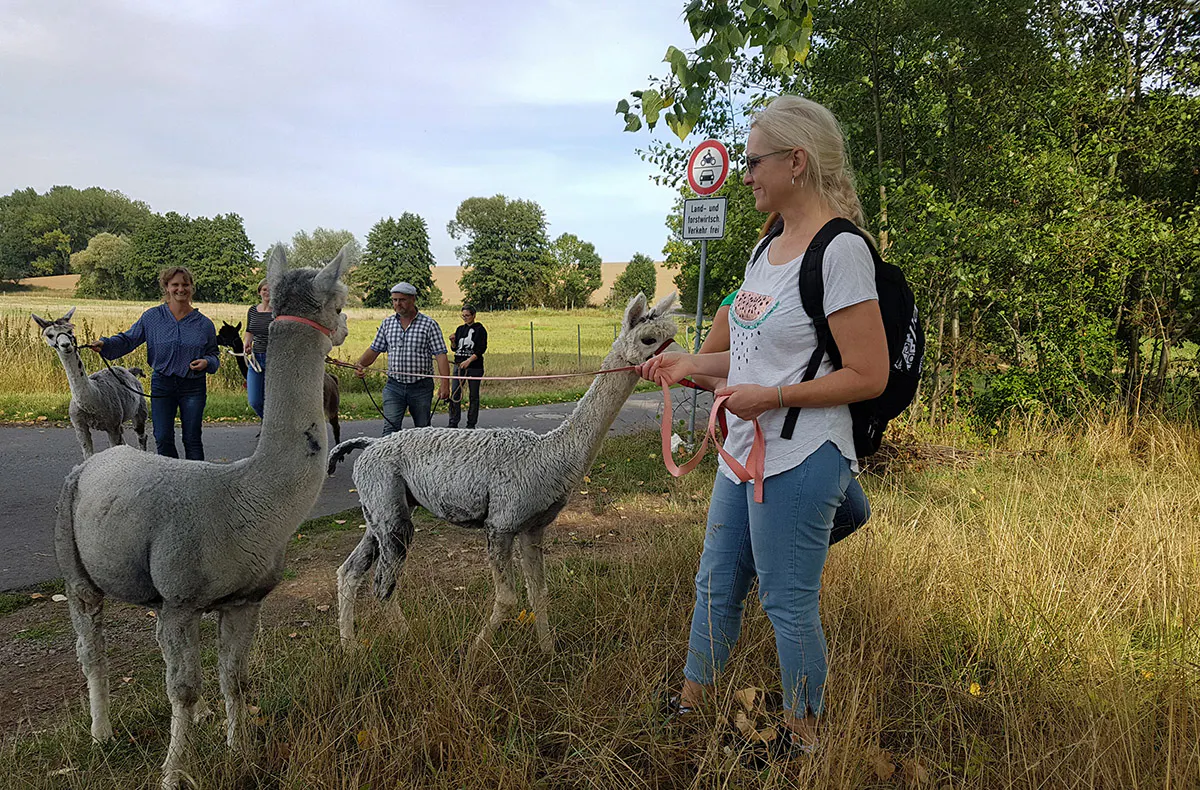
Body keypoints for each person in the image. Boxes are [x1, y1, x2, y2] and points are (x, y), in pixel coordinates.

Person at [638, 95, 889, 752]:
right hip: (742, 453)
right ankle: (690, 706)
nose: (743, 174)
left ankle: (804, 740)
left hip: (802, 455)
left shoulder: (841, 252)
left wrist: (772, 397)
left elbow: (869, 374)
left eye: (753, 162)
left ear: (795, 162)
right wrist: (686, 365)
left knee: (785, 601)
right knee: (717, 580)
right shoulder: (767, 245)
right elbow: (744, 357)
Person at [90, 266, 220, 460]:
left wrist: (207, 362)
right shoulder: (152, 318)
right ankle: (170, 482)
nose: (180, 289)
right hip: (162, 384)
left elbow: (214, 355)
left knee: (192, 438)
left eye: (185, 284)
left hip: (193, 387)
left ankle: (197, 483)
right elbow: (129, 339)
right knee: (163, 437)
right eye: (175, 284)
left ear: (192, 287)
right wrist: (106, 344)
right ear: (166, 287)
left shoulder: (204, 324)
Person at [355, 282, 450, 435]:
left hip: (421, 388)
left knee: (423, 431)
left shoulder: (429, 325)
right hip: (394, 386)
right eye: (394, 300)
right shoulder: (387, 324)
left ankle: (421, 458)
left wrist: (445, 384)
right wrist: (360, 365)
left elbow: (440, 355)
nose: (397, 304)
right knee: (390, 430)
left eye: (402, 300)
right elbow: (375, 349)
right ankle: (387, 459)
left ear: (413, 299)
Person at [448, 304, 488, 429]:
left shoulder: (480, 329)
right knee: (455, 393)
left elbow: (481, 349)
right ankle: (453, 422)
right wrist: (453, 341)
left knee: (473, 395)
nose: (465, 318)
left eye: (467, 315)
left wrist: (469, 361)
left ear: (473, 315)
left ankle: (471, 424)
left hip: (474, 367)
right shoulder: (460, 329)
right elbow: (455, 349)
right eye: (463, 316)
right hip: (459, 366)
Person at [242, 278, 274, 419]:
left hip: (274, 359)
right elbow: (250, 330)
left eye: (270, 289)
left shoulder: (279, 312)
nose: (267, 292)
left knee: (272, 399)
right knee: (254, 400)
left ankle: (271, 426)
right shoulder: (253, 310)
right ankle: (268, 422)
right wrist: (246, 343)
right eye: (264, 289)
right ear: (259, 292)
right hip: (256, 358)